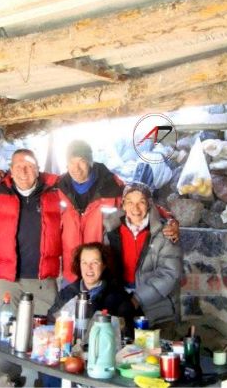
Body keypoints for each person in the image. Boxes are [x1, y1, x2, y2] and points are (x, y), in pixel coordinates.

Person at [58, 140, 180, 283]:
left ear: (90, 162)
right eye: (71, 162)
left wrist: (171, 220)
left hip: (101, 273)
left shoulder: (113, 187)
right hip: (71, 271)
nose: (76, 168)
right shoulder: (60, 188)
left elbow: (140, 204)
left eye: (81, 161)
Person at [0, 148, 62, 316]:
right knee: (6, 334)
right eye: (18, 166)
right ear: (10, 170)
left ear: (38, 170)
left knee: (45, 334)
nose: (23, 171)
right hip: (6, 281)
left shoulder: (56, 190)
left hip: (43, 280)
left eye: (29, 166)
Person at [104, 182, 183, 338]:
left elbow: (169, 274)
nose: (136, 208)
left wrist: (137, 299)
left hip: (156, 304)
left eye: (141, 202)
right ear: (123, 205)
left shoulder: (164, 233)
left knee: (153, 354)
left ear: (149, 205)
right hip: (121, 297)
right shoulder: (111, 231)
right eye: (130, 202)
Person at [47, 242, 136, 328]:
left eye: (94, 262)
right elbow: (51, 321)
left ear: (104, 265)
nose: (89, 268)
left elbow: (126, 329)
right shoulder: (67, 293)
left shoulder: (118, 297)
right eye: (84, 263)